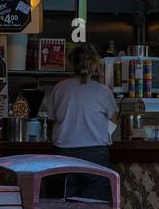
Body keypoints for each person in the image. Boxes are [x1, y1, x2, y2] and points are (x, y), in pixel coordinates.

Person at [43, 44, 118, 201]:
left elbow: (52, 120)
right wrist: (102, 130)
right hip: (96, 156)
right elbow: (114, 118)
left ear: (71, 63)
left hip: (64, 156)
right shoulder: (103, 91)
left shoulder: (59, 89)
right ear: (95, 65)